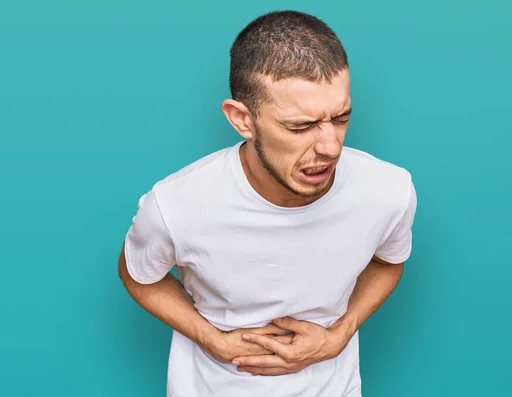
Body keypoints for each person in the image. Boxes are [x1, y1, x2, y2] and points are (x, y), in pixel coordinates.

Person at [118, 9, 417, 397]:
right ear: (242, 119)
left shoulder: (389, 190)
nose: (330, 147)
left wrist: (338, 336)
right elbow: (138, 274)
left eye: (341, 118)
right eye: (301, 126)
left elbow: (388, 262)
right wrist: (213, 340)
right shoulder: (176, 204)